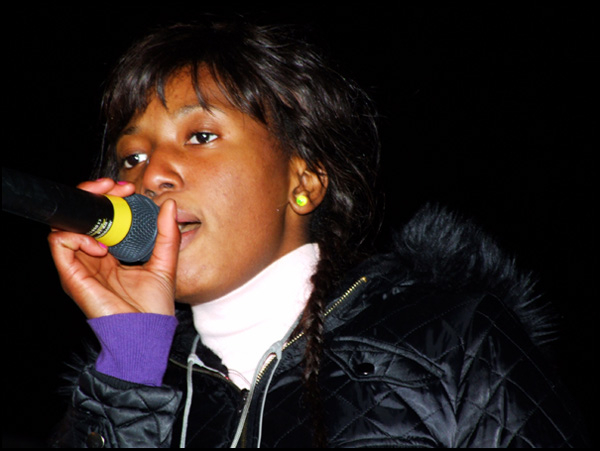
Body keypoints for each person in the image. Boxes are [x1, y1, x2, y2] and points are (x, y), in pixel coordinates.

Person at [48, 20, 588, 448]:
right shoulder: (125, 384)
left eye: (201, 135)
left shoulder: (453, 343)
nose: (151, 175)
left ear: (303, 182)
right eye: (132, 157)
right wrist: (131, 361)